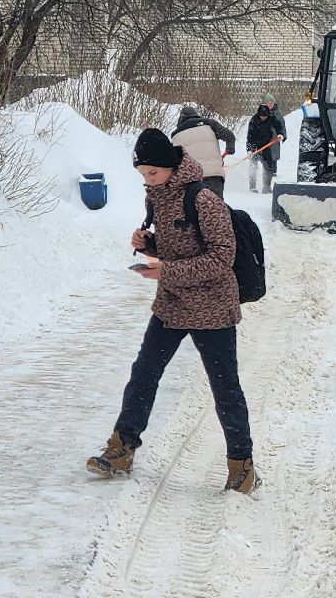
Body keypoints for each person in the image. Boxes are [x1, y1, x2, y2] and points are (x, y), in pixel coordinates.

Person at [88, 128, 258, 493]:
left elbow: (221, 257)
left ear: (169, 166)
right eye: (143, 175)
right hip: (172, 303)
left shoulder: (203, 199)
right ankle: (122, 448)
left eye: (152, 173)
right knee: (144, 373)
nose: (148, 180)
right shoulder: (158, 197)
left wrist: (167, 270)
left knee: (225, 389)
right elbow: (176, 246)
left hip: (212, 307)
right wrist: (149, 243)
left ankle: (242, 468)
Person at [172, 104, 237, 197]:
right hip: (214, 176)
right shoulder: (209, 124)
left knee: (193, 210)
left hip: (192, 180)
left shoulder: (176, 135)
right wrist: (230, 149)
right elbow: (229, 135)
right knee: (216, 208)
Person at [245, 104, 284, 194]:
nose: (263, 118)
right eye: (262, 116)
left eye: (265, 116)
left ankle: (266, 187)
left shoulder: (271, 118)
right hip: (254, 146)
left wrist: (280, 134)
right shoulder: (253, 121)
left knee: (268, 166)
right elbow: (249, 137)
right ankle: (252, 187)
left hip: (266, 145)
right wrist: (250, 150)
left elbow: (279, 126)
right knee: (253, 166)